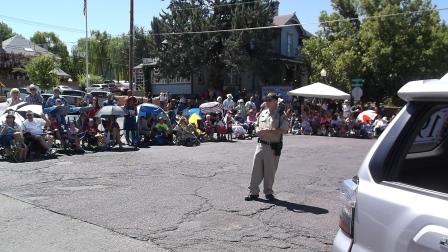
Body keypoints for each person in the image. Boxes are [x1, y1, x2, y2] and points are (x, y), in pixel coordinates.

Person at [245, 93, 289, 201]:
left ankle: (268, 192)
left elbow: (284, 129)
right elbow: (256, 124)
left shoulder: (280, 114)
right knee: (256, 169)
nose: (267, 102)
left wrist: (268, 131)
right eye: (266, 100)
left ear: (275, 101)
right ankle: (253, 192)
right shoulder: (263, 113)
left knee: (269, 171)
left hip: (272, 146)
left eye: (269, 100)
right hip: (260, 144)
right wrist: (257, 130)